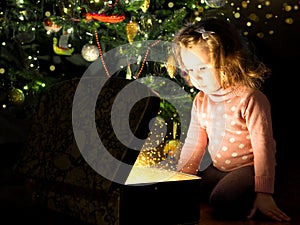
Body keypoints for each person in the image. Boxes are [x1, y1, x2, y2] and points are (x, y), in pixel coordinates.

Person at [172, 17, 291, 222]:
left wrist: (264, 192)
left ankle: (255, 193)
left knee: (223, 201)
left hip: (248, 169)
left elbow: (264, 149)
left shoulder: (251, 99)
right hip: (218, 169)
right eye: (190, 70)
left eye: (202, 68)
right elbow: (194, 144)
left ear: (227, 61)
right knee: (187, 189)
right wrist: (182, 179)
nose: (196, 78)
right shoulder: (201, 100)